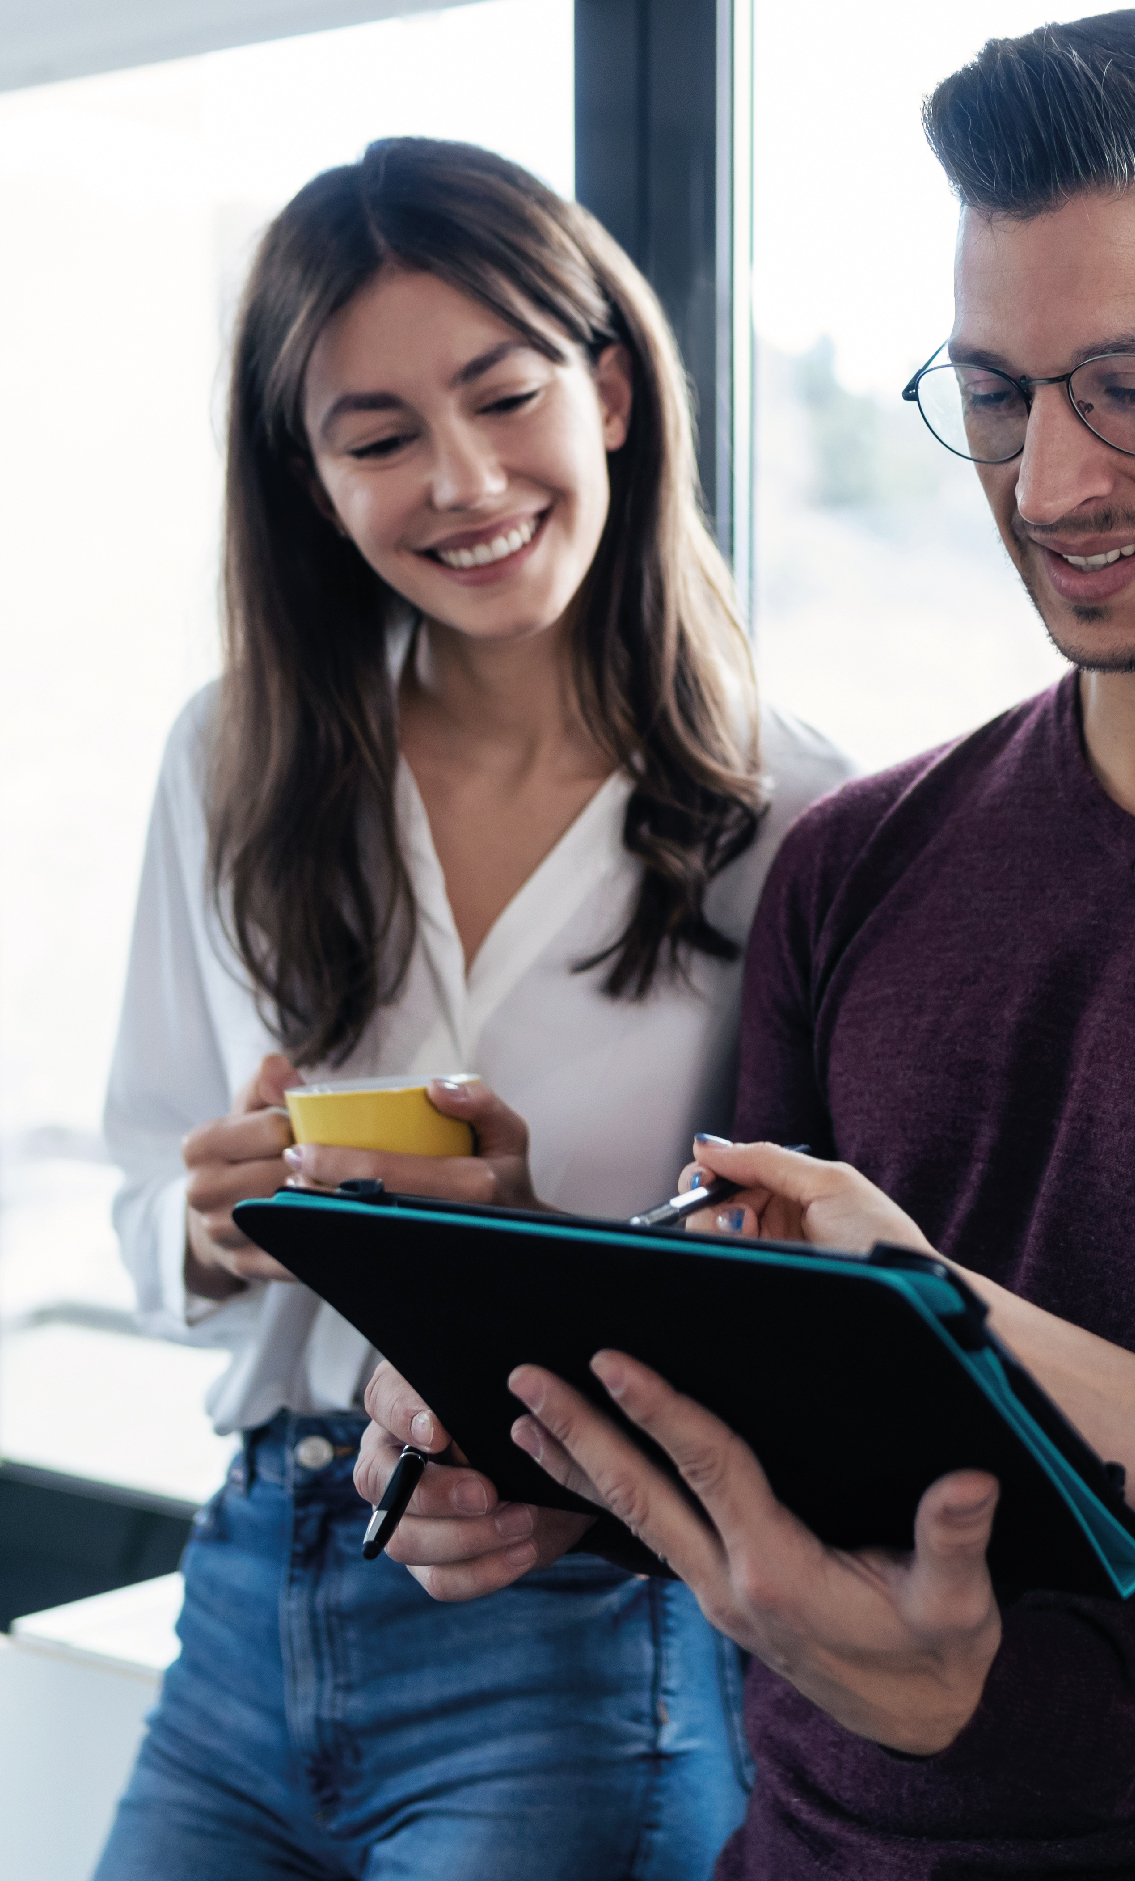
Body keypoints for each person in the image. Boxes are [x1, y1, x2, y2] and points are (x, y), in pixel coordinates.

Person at [355, 15, 1135, 1877]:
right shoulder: (861, 858)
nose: (1047, 488)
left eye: (1132, 383)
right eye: (997, 392)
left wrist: (983, 1703)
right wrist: (568, 1442)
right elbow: (820, 1410)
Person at [96, 136, 850, 1881]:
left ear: (607, 389)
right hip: (244, 1592)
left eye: (503, 397)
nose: (460, 480)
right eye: (376, 439)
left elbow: (804, 1307)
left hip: (573, 1631)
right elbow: (143, 1178)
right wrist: (210, 1233)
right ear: (310, 479)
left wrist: (524, 1254)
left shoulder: (791, 818)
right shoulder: (228, 759)